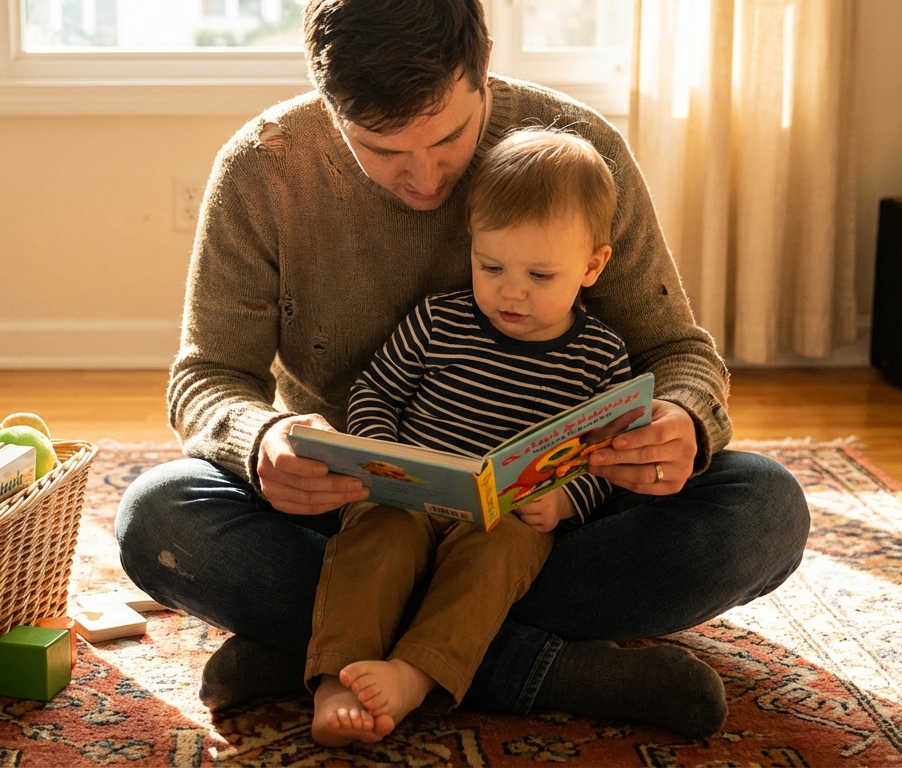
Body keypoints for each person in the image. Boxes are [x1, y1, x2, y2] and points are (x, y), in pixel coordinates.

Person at [115, 0, 810, 740]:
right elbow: (207, 376)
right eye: (381, 149)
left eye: (449, 138)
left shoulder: (573, 152)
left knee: (764, 509)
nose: (423, 178)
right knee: (156, 514)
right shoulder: (263, 170)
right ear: (329, 103)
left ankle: (324, 650)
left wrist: (684, 422)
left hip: (543, 518)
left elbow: (679, 353)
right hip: (355, 510)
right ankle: (543, 669)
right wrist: (261, 440)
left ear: (482, 71)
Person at [307, 128, 632, 747]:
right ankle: (334, 680)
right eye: (491, 266)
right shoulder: (439, 320)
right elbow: (375, 392)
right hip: (406, 499)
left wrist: (565, 501)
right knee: (373, 537)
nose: (511, 291)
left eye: (540, 274)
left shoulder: (600, 358)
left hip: (505, 520)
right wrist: (381, 458)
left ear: (592, 266)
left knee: (501, 550)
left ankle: (413, 673)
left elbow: (604, 455)